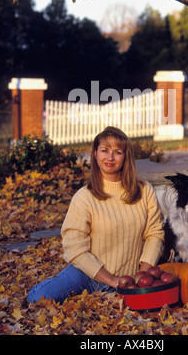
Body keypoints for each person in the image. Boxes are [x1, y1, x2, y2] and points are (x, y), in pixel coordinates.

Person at [27, 126, 164, 304]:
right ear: (95, 154)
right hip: (86, 275)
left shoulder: (145, 191)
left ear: (126, 156)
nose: (110, 157)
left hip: (129, 279)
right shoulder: (84, 197)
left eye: (117, 152)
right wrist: (112, 281)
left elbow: (155, 234)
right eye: (105, 151)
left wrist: (142, 276)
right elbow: (74, 248)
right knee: (37, 298)